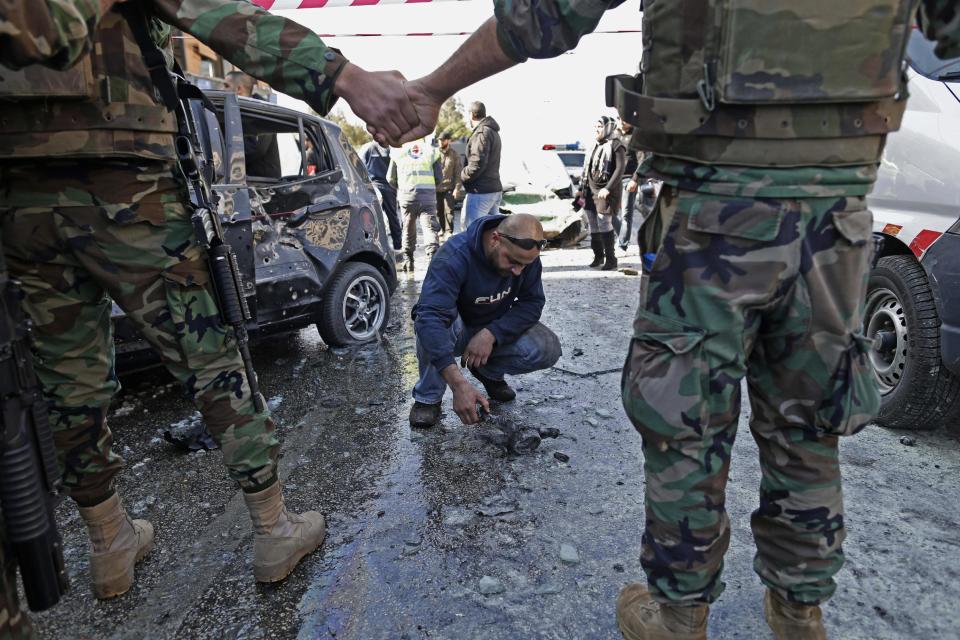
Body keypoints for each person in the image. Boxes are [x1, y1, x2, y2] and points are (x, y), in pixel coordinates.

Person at [385, 2, 960, 639]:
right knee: (807, 421)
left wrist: (432, 88)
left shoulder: (518, 250)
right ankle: (800, 613)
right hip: (835, 220)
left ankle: (680, 617)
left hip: (714, 214)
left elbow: (544, 15)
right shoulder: (460, 253)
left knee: (686, 420)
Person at [0, 0, 420, 603]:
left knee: (67, 379)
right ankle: (274, 530)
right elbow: (219, 16)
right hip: (128, 179)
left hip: (19, 192)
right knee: (210, 357)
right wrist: (341, 75)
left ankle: (108, 542)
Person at [409, 213, 561, 428]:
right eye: (513, 261)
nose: (518, 271)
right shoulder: (453, 256)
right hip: (456, 329)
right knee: (434, 323)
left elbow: (532, 303)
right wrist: (459, 385)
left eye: (525, 265)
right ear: (495, 239)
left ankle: (486, 370)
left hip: (489, 327)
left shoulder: (526, 258)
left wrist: (492, 333)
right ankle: (428, 396)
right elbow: (430, 319)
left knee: (547, 347)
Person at [387, 137, 442, 272]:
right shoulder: (432, 151)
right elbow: (439, 178)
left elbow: (390, 178)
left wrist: (402, 187)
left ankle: (408, 260)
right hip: (427, 197)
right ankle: (432, 259)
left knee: (407, 227)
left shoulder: (398, 151)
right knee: (429, 228)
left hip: (407, 196)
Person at [579, 116, 625, 271]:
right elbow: (587, 167)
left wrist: (608, 188)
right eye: (596, 126)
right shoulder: (594, 145)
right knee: (593, 224)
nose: (597, 129)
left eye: (600, 126)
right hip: (590, 190)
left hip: (606, 190)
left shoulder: (616, 144)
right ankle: (598, 256)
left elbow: (619, 169)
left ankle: (611, 259)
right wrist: (581, 188)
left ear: (608, 127)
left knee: (604, 222)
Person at [224, 70, 282, 178]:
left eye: (226, 86)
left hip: (265, 185)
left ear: (238, 89)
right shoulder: (237, 112)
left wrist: (224, 156)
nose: (223, 90)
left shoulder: (263, 112)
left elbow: (255, 149)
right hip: (246, 182)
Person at [460, 101, 502, 227]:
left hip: (481, 192)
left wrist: (462, 175)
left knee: (472, 231)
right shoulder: (492, 131)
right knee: (490, 233)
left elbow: (477, 163)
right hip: (492, 190)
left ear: (472, 115)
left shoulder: (481, 133)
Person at [360, 139, 403, 250]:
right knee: (392, 215)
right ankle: (398, 245)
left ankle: (374, 247)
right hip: (389, 187)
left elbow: (359, 166)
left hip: (372, 187)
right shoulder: (393, 149)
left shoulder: (367, 148)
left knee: (371, 218)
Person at [616, 119, 644, 252]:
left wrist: (635, 179)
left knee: (626, 214)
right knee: (609, 213)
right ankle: (621, 237)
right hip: (613, 181)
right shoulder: (614, 135)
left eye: (625, 119)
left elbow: (642, 159)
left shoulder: (636, 136)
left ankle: (622, 245)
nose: (621, 121)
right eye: (619, 119)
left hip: (629, 179)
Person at [436, 130, 463, 239]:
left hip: (449, 188)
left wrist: (457, 188)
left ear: (448, 141)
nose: (441, 142)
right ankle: (441, 230)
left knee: (449, 211)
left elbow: (458, 173)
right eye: (439, 140)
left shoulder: (454, 155)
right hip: (436, 188)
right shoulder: (434, 154)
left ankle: (449, 232)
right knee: (438, 211)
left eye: (443, 140)